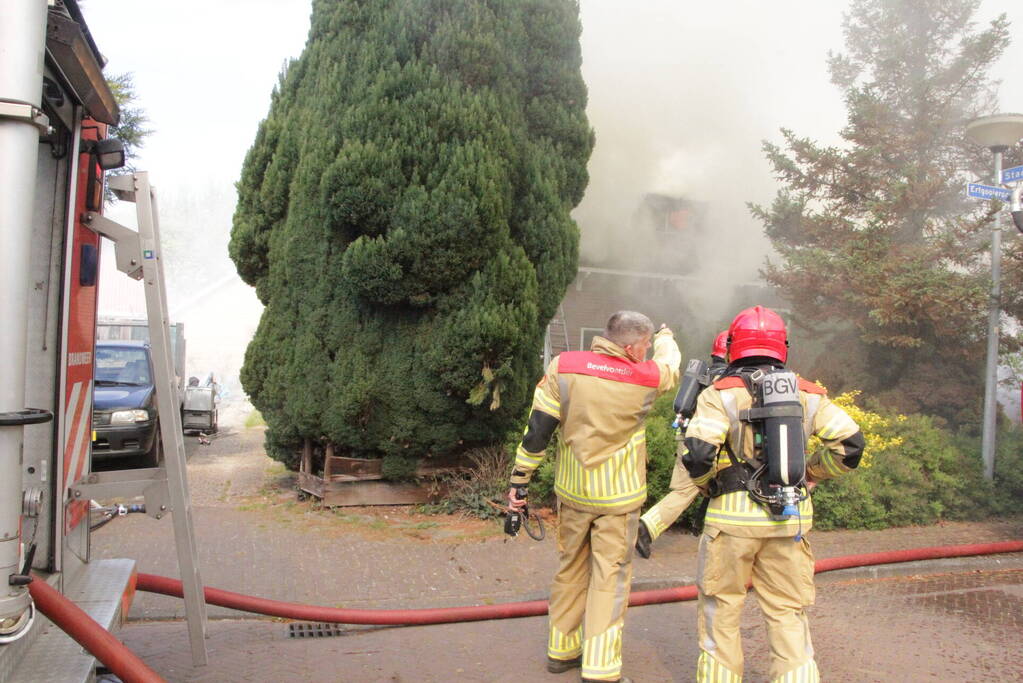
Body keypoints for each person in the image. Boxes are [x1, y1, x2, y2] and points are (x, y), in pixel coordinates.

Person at [682, 306, 864, 682]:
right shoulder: (808, 393)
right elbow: (851, 446)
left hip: (730, 524)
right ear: (783, 346)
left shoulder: (721, 394)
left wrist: (708, 487)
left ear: (733, 345)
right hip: (789, 519)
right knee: (787, 610)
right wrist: (811, 473)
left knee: (722, 608)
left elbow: (698, 453)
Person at [507, 311, 680, 683]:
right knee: (610, 577)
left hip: (573, 495)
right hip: (619, 500)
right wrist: (666, 338)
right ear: (632, 346)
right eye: (645, 344)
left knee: (570, 568)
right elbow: (671, 365)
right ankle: (601, 669)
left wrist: (519, 480)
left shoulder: (564, 366)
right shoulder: (647, 376)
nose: (648, 350)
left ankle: (561, 651)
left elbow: (537, 430)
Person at [636, 331, 729, 558]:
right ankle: (645, 528)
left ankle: (708, 533)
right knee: (689, 490)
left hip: (687, 438)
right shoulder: (728, 379)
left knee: (691, 490)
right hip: (707, 443)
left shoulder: (706, 373)